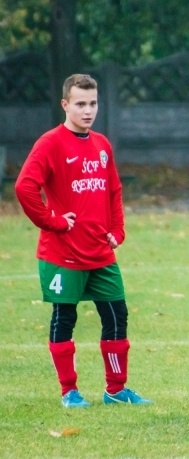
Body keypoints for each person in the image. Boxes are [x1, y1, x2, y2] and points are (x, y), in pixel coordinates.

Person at [15, 74, 151, 408]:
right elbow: (25, 187)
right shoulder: (50, 143)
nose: (88, 110)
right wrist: (53, 222)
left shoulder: (102, 145)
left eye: (92, 103)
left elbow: (114, 190)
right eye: (80, 104)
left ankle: (116, 390)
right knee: (65, 317)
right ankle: (69, 392)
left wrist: (117, 230)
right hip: (62, 253)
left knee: (117, 315)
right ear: (65, 105)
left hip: (100, 251)